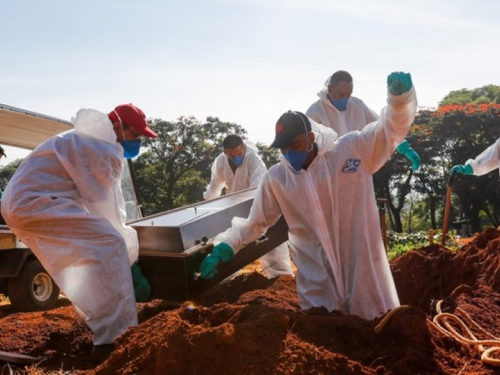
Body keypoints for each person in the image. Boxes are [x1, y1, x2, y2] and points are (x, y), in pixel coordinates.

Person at [199, 72, 417, 320]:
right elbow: (255, 223)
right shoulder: (278, 179)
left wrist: (399, 100)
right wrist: (224, 247)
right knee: (324, 343)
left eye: (295, 146)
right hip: (318, 289)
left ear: (311, 138)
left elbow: (388, 130)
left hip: (363, 275)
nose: (290, 154)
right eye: (284, 149)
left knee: (377, 330)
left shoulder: (349, 151)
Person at [0, 103, 156, 353]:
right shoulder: (100, 148)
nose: (137, 141)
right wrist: (129, 260)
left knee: (81, 255)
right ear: (117, 126)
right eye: (135, 135)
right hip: (36, 204)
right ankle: (115, 337)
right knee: (111, 243)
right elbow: (108, 210)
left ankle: (91, 318)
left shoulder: (83, 139)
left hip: (21, 205)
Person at [203, 134, 294, 278]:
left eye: (239, 154)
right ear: (225, 152)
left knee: (270, 239)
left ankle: (280, 276)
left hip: (256, 205)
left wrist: (253, 213)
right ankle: (228, 278)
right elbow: (214, 187)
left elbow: (256, 189)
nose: (237, 158)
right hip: (232, 208)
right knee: (228, 240)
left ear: (244, 148)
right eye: (232, 156)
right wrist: (207, 210)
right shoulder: (221, 161)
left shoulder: (254, 160)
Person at [306, 70, 420, 171]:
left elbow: (383, 128)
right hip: (329, 175)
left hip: (359, 171)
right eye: (341, 94)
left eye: (348, 95)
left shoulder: (357, 105)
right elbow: (309, 152)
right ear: (330, 88)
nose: (345, 99)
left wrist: (405, 149)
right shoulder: (315, 112)